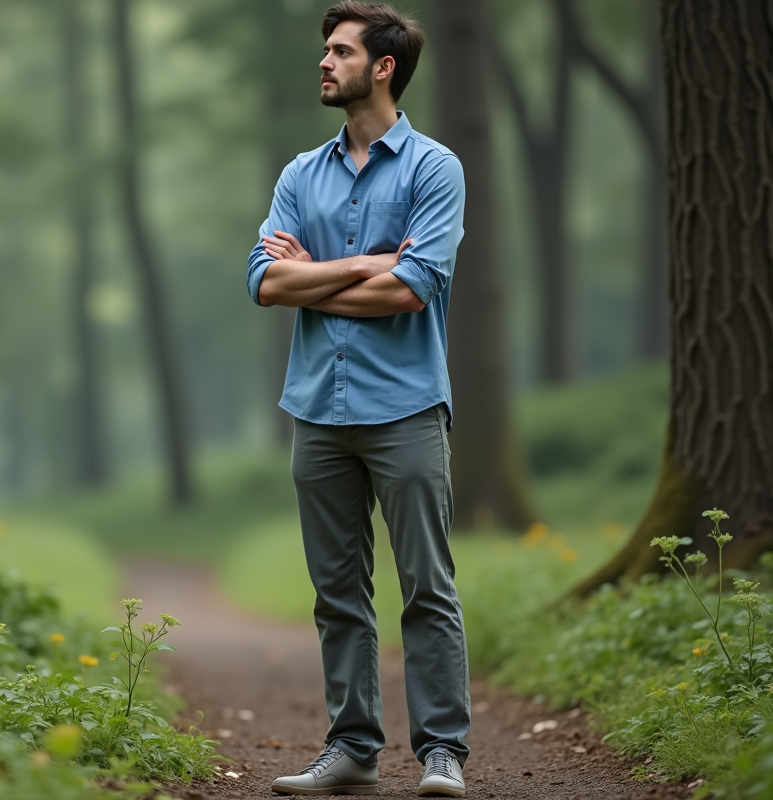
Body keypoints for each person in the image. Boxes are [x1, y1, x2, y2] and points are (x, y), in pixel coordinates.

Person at [246, 2, 470, 796]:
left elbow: (413, 291)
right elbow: (264, 281)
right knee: (337, 595)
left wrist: (320, 274)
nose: (324, 62)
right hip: (316, 412)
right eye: (324, 51)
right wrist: (367, 265)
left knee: (426, 587)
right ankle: (352, 749)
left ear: (382, 67)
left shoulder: (433, 168)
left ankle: (442, 750)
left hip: (406, 408)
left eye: (339, 51)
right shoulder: (299, 174)